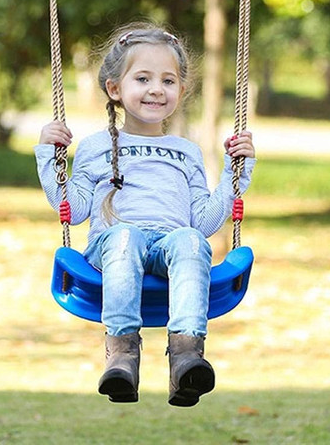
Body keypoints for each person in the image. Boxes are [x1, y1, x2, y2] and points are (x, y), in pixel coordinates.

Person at [36, 23, 256, 407]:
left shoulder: (186, 151)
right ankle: (122, 354)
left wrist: (236, 173)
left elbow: (202, 223)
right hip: (113, 249)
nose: (157, 89)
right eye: (143, 78)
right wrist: (47, 155)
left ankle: (187, 355)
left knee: (189, 239)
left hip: (171, 249)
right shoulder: (96, 147)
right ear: (115, 88)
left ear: (181, 91)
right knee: (126, 236)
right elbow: (72, 210)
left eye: (168, 81)